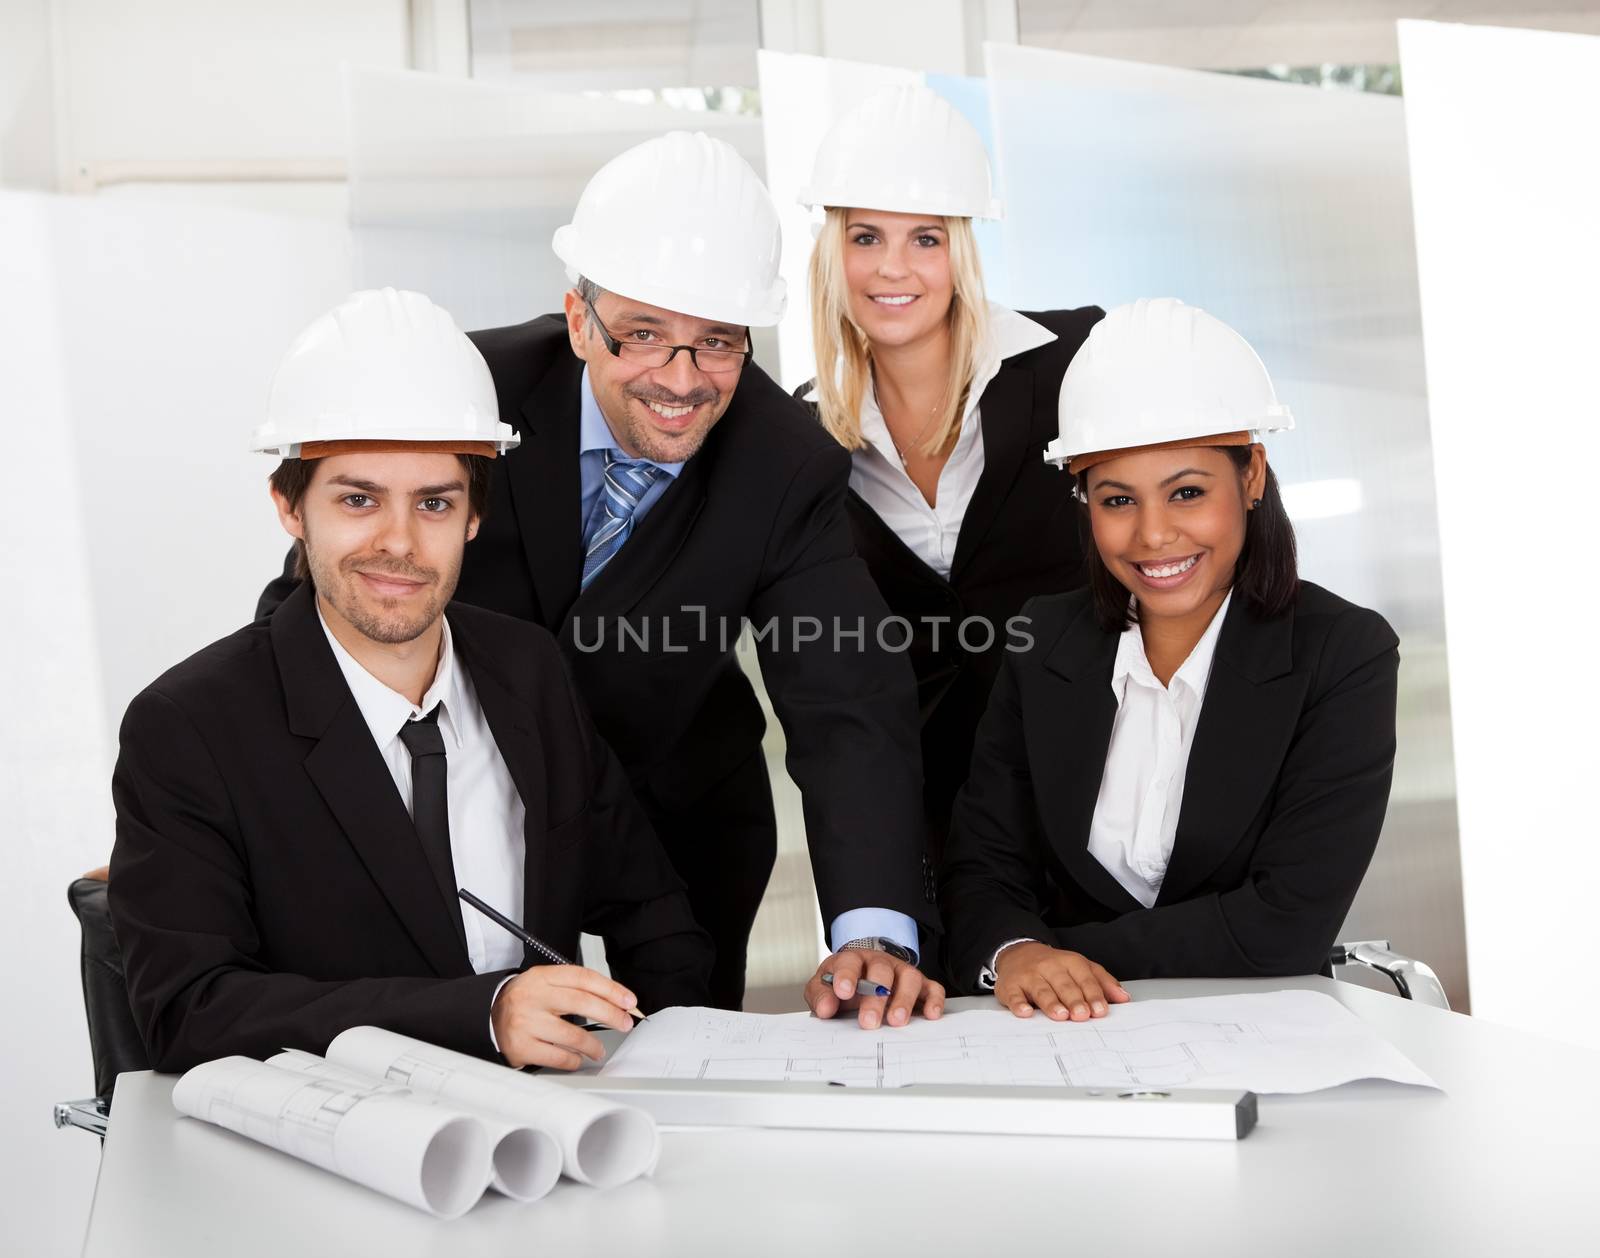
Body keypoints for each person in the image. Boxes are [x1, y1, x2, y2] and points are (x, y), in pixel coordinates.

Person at [256, 133, 944, 1027]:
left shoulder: (784, 463)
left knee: (681, 1065)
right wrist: (225, 826)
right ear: (580, 320)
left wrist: (877, 931)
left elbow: (846, 695)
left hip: (680, 814)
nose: (682, 381)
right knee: (432, 1036)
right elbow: (314, 604)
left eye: (717, 345)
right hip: (455, 788)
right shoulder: (468, 393)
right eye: (645, 335)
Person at [111, 289, 713, 1073]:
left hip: (555, 1140)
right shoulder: (189, 726)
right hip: (332, 1152)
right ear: (290, 508)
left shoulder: (527, 670)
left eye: (434, 503)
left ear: (472, 517)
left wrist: (679, 1071)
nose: (399, 543)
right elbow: (190, 1011)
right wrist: (481, 1016)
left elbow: (650, 910)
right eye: (359, 499)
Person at [941, 298, 1400, 1022]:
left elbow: (1284, 923)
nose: (1154, 535)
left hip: (1268, 1038)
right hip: (1064, 1042)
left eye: (1187, 492)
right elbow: (984, 862)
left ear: (1251, 477)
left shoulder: (1342, 654)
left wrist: (1057, 954)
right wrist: (1011, 951)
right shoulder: (1042, 640)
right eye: (1117, 499)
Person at [795, 85, 1103, 955]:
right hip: (928, 843)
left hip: (1100, 815)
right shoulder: (805, 442)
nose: (894, 269)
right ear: (833, 251)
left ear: (960, 250)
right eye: (866, 237)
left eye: (924, 238)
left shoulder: (1071, 364)